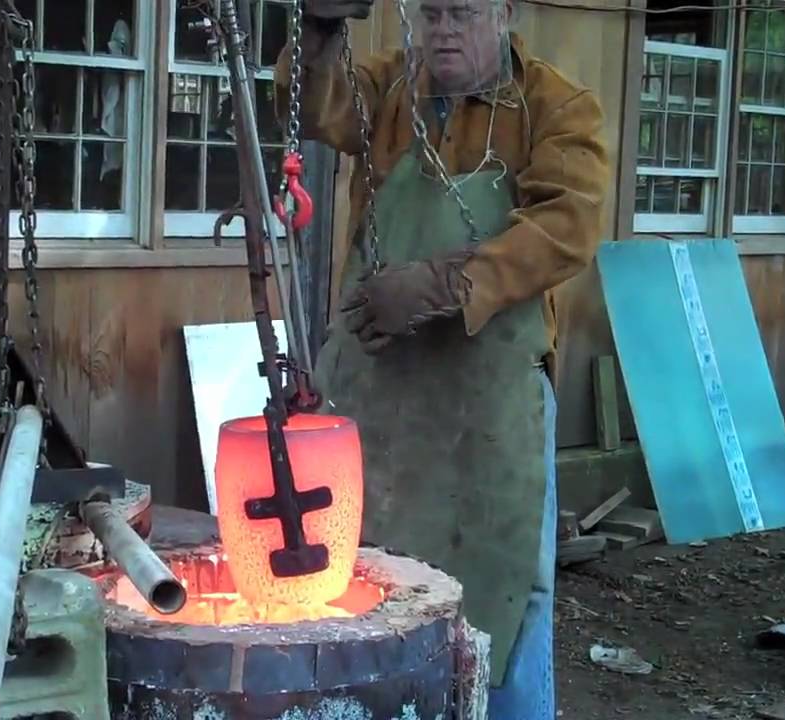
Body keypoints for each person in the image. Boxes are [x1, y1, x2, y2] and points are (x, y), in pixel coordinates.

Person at [275, 0, 609, 716]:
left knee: (513, 585)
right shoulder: (392, 89)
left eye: (463, 12)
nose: (444, 30)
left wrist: (441, 284)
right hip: (384, 386)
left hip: (496, 400)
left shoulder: (557, 107)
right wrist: (319, 28)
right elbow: (313, 104)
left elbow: (566, 225)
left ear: (505, 12)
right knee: (377, 571)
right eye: (431, 14)